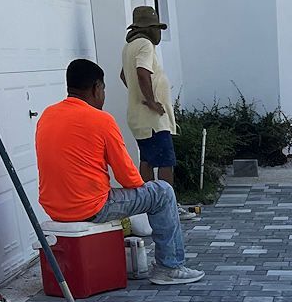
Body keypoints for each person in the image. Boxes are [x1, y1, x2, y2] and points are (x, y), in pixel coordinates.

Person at [36, 59, 205, 286]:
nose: (103, 96)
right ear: (97, 88)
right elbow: (128, 177)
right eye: (103, 89)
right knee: (163, 192)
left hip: (54, 207)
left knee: (143, 193)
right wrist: (142, 192)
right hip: (90, 207)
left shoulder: (47, 115)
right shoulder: (101, 119)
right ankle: (169, 267)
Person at [120, 5, 192, 219]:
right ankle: (167, 207)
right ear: (148, 28)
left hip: (138, 116)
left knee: (148, 160)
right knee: (166, 161)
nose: (158, 32)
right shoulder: (144, 44)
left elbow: (124, 76)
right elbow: (142, 73)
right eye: (156, 28)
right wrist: (151, 101)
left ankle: (151, 206)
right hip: (152, 118)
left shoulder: (129, 46)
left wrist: (137, 95)